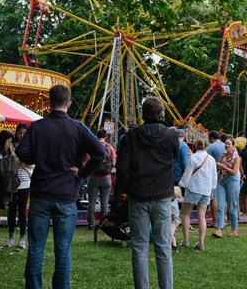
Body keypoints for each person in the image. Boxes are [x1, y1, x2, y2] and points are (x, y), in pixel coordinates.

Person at [16, 84, 105, 289]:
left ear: (49, 103)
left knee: (36, 247)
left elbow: (22, 153)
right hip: (66, 194)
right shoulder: (78, 127)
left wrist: (36, 157)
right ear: (69, 103)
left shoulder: (37, 127)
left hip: (40, 193)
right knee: (63, 249)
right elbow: (100, 152)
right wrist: (82, 171)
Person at [115, 96, 179, 289]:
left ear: (143, 114)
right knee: (163, 247)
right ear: (161, 113)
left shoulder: (131, 138)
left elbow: (123, 169)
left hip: (138, 196)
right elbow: (173, 159)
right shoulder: (171, 136)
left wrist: (121, 195)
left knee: (139, 247)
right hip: (161, 197)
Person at [178, 138, 216, 250]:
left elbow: (187, 173)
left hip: (193, 188)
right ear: (206, 146)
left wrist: (181, 184)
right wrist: (212, 188)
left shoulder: (193, 157)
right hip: (206, 190)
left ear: (195, 146)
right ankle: (201, 242)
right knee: (202, 216)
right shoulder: (211, 159)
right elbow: (214, 176)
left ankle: (185, 240)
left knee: (185, 214)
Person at [9, 125, 34, 249]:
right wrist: (13, 162)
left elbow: (33, 165)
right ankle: (11, 236)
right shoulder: (11, 146)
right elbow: (6, 162)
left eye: (24, 133)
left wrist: (23, 163)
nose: (22, 135)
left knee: (23, 210)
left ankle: (22, 238)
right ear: (16, 133)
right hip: (12, 181)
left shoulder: (30, 147)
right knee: (12, 209)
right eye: (19, 133)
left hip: (25, 181)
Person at [86, 128, 117, 229]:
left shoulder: (92, 147)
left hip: (93, 178)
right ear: (106, 137)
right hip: (106, 178)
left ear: (96, 136)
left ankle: (91, 223)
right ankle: (103, 224)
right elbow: (114, 162)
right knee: (104, 201)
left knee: (91, 201)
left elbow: (87, 161)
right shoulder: (110, 148)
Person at [212, 134, 242, 238]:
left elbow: (234, 172)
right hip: (222, 181)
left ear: (233, 146)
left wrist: (222, 166)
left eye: (229, 144)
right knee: (220, 206)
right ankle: (219, 229)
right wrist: (216, 167)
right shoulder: (223, 155)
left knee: (232, 207)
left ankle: (234, 230)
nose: (227, 145)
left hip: (232, 181)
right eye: (226, 144)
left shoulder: (237, 157)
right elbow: (218, 167)